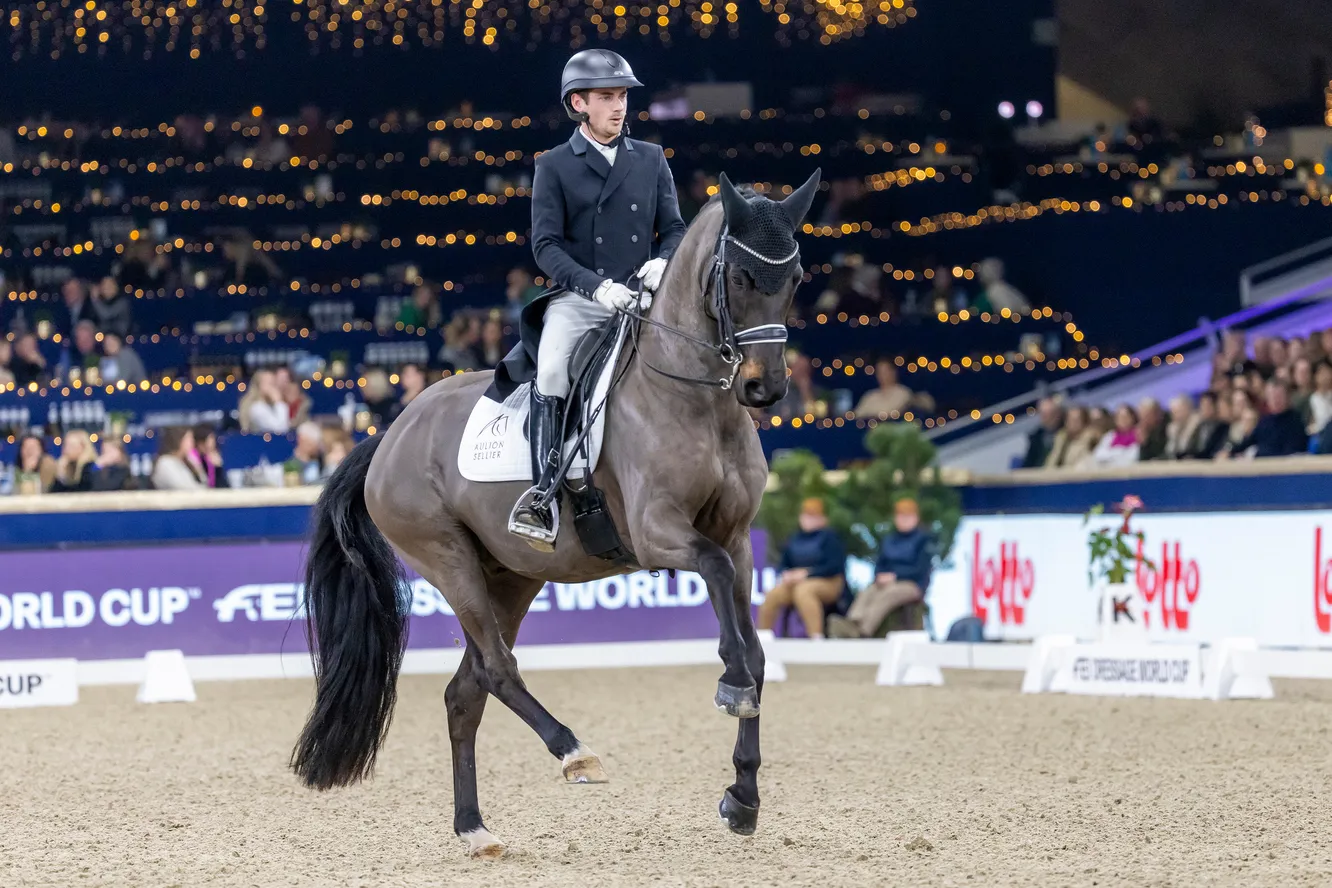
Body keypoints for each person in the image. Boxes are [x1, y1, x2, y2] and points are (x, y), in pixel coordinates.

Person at [498, 49, 687, 549]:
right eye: (607, 97)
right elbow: (545, 246)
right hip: (582, 297)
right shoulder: (554, 165)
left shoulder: (650, 158)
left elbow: (673, 229)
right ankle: (543, 494)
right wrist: (596, 286)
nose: (619, 107)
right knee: (554, 368)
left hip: (645, 294)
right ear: (579, 103)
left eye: (622, 96)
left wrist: (663, 262)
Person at [827, 498, 933, 638]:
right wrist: (880, 576)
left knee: (887, 595)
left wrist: (895, 577)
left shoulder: (923, 541)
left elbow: (920, 569)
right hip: (886, 581)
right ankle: (852, 622)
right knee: (868, 592)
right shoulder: (889, 539)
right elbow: (880, 563)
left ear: (916, 518)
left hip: (911, 584)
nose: (903, 520)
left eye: (907, 516)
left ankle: (865, 630)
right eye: (900, 516)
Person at [756, 498, 846, 639]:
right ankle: (763, 636)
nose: (807, 520)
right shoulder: (794, 538)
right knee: (772, 595)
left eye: (813, 516)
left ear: (822, 519)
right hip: (795, 583)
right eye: (806, 515)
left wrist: (807, 574)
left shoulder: (830, 538)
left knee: (804, 591)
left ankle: (815, 636)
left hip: (827, 582)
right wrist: (786, 574)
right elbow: (783, 563)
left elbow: (834, 566)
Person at [1226, 379, 1309, 458]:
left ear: (1287, 397)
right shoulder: (1265, 421)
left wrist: (1257, 454)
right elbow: (1248, 442)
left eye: (1279, 396)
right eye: (1271, 396)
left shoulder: (1295, 422)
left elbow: (1291, 453)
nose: (1275, 400)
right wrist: (1229, 452)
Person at [853, 358, 932, 419]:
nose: (883, 375)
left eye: (885, 371)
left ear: (893, 372)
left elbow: (892, 412)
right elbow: (858, 414)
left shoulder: (903, 392)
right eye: (880, 372)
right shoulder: (870, 395)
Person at [239, 369, 291, 434]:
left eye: (274, 383)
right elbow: (281, 429)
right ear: (259, 386)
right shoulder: (257, 407)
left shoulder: (271, 405)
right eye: (270, 383)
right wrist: (279, 402)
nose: (274, 387)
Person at [1021, 397, 1064, 468]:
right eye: (1044, 415)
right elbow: (1028, 464)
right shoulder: (1036, 437)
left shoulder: (1067, 434)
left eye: (1051, 414)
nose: (1047, 419)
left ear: (1058, 414)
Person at [191, 423, 230, 488]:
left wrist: (218, 467)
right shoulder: (192, 457)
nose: (211, 447)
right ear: (199, 443)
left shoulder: (207, 457)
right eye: (206, 445)